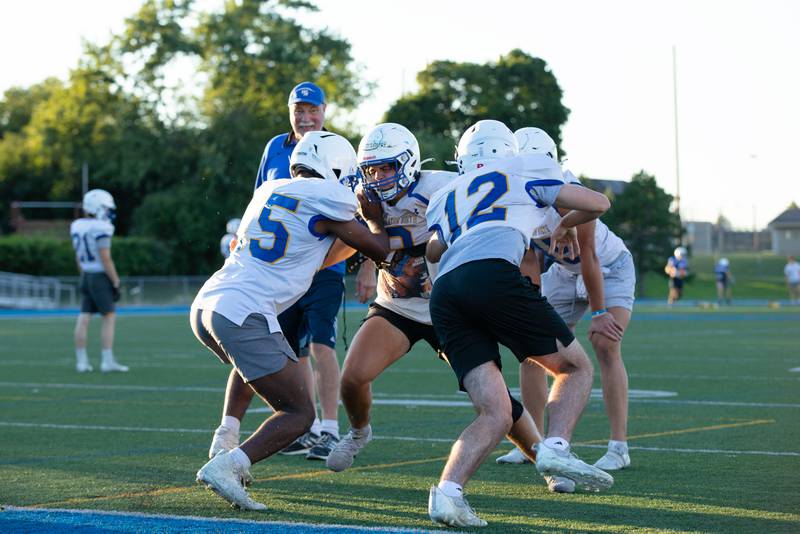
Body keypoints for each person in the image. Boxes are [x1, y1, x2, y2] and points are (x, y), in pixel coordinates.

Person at [424, 120, 613, 527]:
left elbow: (435, 248)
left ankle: (448, 494)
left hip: (445, 295)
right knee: (575, 367)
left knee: (495, 411)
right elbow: (598, 203)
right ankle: (555, 448)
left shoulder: (445, 192)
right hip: (491, 274)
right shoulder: (525, 168)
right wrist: (563, 221)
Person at [193, 132, 390, 510]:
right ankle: (228, 465)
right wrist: (376, 219)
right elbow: (378, 248)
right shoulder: (331, 195)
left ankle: (226, 436)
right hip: (243, 310)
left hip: (208, 303)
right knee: (300, 413)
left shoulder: (269, 188)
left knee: (252, 368)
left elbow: (318, 254)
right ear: (334, 169)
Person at [208, 82, 345, 463]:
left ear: (325, 110)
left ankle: (329, 429)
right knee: (274, 347)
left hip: (322, 266)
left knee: (321, 344)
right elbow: (257, 200)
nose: (305, 117)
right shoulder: (274, 147)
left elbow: (354, 217)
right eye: (298, 110)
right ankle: (233, 430)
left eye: (312, 110)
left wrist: (365, 267)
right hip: (275, 272)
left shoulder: (337, 149)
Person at [495, 127, 634, 495]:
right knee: (532, 351)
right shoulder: (516, 190)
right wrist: (529, 303)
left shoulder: (571, 193)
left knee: (605, 344)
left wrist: (600, 311)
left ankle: (618, 447)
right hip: (563, 272)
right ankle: (532, 444)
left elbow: (588, 255)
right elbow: (527, 255)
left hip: (610, 268)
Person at [323, 123, 458, 472]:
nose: (379, 177)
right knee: (352, 377)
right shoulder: (363, 198)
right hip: (396, 306)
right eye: (372, 169)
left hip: (448, 309)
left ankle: (544, 454)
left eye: (388, 167)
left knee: (491, 398)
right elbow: (358, 241)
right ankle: (358, 433)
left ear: (408, 163)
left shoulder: (442, 187)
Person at [70, 189, 128, 373]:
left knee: (84, 317)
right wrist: (116, 281)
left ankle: (81, 362)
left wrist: (84, 275)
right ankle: (107, 361)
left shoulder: (77, 225)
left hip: (86, 275)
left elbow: (78, 257)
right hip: (99, 276)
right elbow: (105, 258)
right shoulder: (102, 228)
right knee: (109, 317)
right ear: (99, 207)